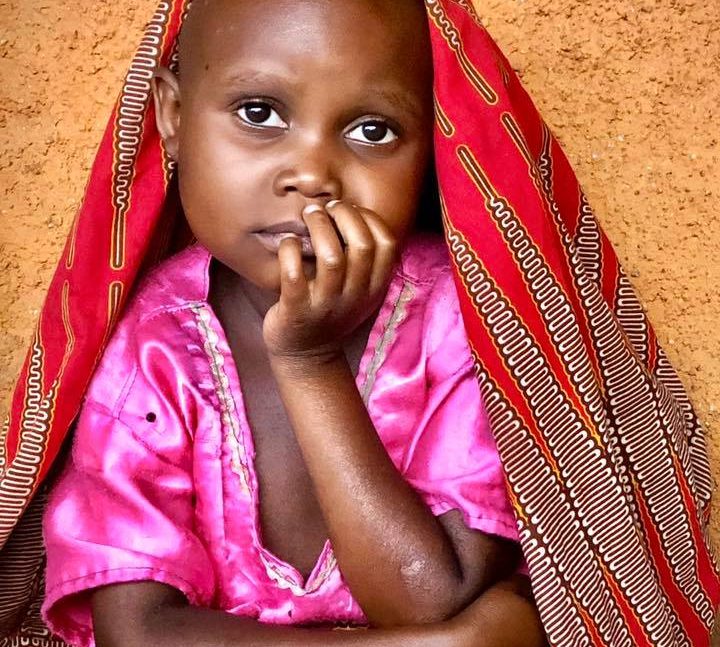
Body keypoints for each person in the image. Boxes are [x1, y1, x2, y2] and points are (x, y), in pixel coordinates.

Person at [2, 1, 718, 646]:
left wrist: (308, 363)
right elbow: (136, 629)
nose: (314, 173)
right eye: (259, 113)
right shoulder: (153, 344)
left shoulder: (461, 319)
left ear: (430, 146)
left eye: (372, 130)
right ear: (174, 117)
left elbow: (431, 598)